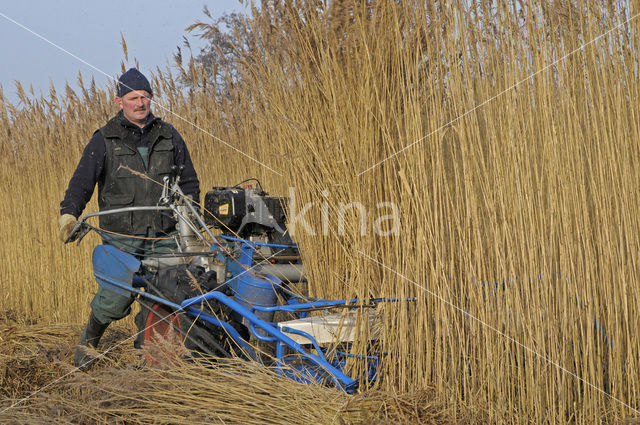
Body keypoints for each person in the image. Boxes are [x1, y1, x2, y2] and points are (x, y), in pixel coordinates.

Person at [58, 68, 200, 367]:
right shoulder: (105, 138)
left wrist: (191, 217)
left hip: (164, 234)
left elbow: (189, 183)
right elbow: (81, 182)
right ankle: (88, 346)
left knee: (169, 295)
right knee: (115, 299)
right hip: (121, 236)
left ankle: (152, 359)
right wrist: (68, 216)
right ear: (119, 100)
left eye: (145, 97)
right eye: (133, 98)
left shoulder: (169, 135)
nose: (140, 103)